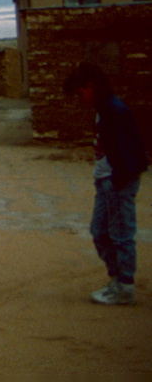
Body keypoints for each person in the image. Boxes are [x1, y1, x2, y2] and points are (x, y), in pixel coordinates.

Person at [63, 63, 148, 305]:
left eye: (80, 94)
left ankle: (125, 286)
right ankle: (117, 280)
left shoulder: (115, 110)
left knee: (121, 235)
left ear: (90, 86)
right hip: (105, 181)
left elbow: (130, 152)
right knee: (99, 233)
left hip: (116, 181)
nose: (81, 100)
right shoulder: (104, 108)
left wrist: (118, 181)